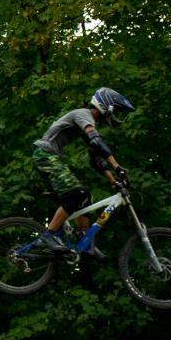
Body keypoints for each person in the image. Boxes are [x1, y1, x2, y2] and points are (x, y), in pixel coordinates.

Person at [31, 87, 135, 256]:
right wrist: (117, 167)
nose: (115, 114)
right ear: (105, 105)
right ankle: (48, 236)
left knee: (85, 197)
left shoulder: (86, 125)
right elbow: (97, 142)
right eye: (115, 110)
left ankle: (84, 240)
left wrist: (112, 179)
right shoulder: (84, 114)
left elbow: (96, 160)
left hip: (49, 157)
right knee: (76, 193)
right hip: (44, 155)